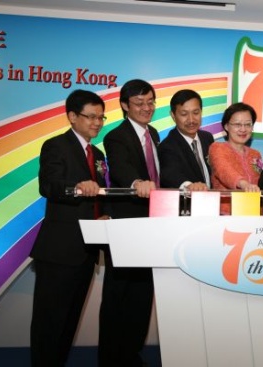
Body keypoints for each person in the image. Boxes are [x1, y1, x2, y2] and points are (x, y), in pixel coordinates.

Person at [30, 89, 109, 367]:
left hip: (87, 249)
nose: (97, 123)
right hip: (60, 250)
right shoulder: (55, 146)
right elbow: (48, 186)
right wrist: (76, 189)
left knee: (69, 322)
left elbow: (98, 195)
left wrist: (103, 215)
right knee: (49, 324)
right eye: (91, 117)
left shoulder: (98, 153)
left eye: (101, 117)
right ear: (72, 116)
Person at [100, 79, 159, 367]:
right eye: (139, 103)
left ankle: (131, 352)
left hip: (154, 223)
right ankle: (111, 357)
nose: (146, 108)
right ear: (124, 105)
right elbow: (122, 168)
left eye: (150, 102)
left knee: (143, 292)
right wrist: (138, 183)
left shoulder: (156, 134)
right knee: (118, 291)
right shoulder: (116, 136)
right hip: (126, 221)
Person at [208, 102, 262, 214]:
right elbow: (224, 170)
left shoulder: (256, 154)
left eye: (248, 124)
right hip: (226, 215)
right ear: (226, 126)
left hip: (254, 214)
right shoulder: (217, 148)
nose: (243, 129)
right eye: (237, 124)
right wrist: (244, 184)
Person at [159, 89, 214, 191]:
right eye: (184, 114)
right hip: (187, 203)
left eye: (196, 113)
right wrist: (189, 185)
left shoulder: (207, 138)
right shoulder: (167, 146)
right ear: (173, 115)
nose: (191, 120)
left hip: (212, 201)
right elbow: (170, 173)